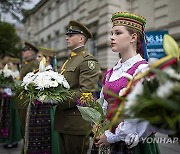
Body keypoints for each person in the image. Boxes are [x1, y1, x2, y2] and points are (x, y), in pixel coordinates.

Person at [91, 12, 160, 154]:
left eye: (118, 33)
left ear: (133, 38)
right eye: (111, 33)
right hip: (107, 138)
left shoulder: (143, 70)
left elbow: (142, 116)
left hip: (132, 143)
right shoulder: (112, 71)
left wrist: (112, 137)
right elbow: (104, 103)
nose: (111, 37)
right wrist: (98, 124)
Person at [54, 20, 100, 154]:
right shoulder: (69, 60)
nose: (66, 37)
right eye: (67, 34)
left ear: (81, 39)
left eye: (71, 35)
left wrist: (57, 99)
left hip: (76, 123)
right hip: (63, 121)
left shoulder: (87, 60)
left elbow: (86, 93)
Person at [22, 47, 60, 154]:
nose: (37, 59)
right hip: (36, 109)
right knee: (34, 136)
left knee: (43, 137)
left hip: (44, 110)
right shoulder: (37, 72)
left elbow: (53, 96)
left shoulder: (51, 74)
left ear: (47, 58)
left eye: (39, 57)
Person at [17, 42, 38, 138]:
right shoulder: (26, 64)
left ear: (31, 52)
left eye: (25, 50)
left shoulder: (33, 64)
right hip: (22, 99)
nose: (23, 52)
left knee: (26, 126)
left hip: (27, 99)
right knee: (22, 125)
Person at [0, 57, 22, 148]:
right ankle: (7, 139)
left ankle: (13, 140)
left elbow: (17, 85)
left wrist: (11, 91)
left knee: (12, 119)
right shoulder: (7, 74)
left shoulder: (16, 74)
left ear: (15, 64)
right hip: (6, 99)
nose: (8, 66)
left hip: (13, 99)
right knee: (6, 119)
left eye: (10, 64)